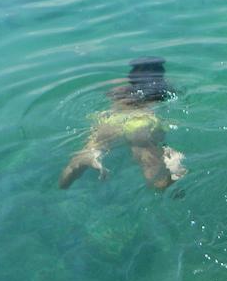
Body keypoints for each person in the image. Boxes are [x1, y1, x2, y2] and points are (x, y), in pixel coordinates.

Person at [59, 57, 186, 190]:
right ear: (160, 73)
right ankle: (172, 172)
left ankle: (84, 163)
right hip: (141, 121)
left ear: (132, 74)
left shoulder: (118, 86)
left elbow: (107, 95)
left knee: (86, 152)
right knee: (150, 164)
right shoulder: (166, 85)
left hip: (112, 120)